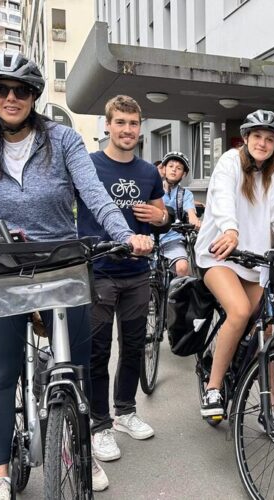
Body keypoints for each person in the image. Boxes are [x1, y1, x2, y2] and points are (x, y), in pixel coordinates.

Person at [0, 51, 151, 500]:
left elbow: (94, 195)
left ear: (35, 95)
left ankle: (79, 450)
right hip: (3, 269)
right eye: (1, 89)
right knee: (1, 376)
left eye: (21, 90)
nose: (11, 97)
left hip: (63, 265)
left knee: (74, 369)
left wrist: (126, 234)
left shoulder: (63, 140)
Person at [194, 110, 274, 417]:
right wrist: (230, 229)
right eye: (257, 136)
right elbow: (221, 197)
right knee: (240, 311)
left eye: (270, 139)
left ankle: (270, 410)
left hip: (252, 260)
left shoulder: (272, 175)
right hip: (219, 254)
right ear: (246, 138)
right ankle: (213, 388)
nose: (263, 143)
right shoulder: (230, 162)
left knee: (268, 329)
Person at [76, 95, 169, 464]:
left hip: (137, 273)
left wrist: (159, 219)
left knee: (134, 345)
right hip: (99, 272)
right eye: (120, 123)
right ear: (107, 126)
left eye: (133, 124)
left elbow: (162, 216)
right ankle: (99, 426)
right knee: (98, 352)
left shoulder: (149, 172)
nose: (127, 130)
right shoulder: (88, 165)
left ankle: (125, 411)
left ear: (140, 128)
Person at [159, 150, 202, 277]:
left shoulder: (185, 194)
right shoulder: (152, 189)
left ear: (183, 174)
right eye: (171, 166)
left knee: (183, 268)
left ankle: (174, 297)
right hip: (150, 238)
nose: (174, 170)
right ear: (164, 170)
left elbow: (190, 212)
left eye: (179, 168)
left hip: (173, 239)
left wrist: (195, 221)